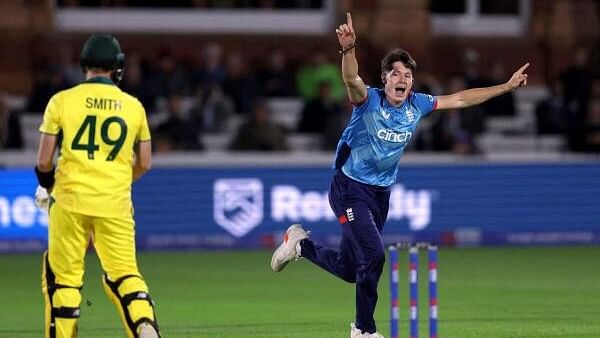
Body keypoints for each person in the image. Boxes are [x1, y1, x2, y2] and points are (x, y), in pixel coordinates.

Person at [270, 13, 529, 338]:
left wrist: (506, 86)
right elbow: (351, 80)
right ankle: (363, 330)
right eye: (395, 74)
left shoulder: (417, 105)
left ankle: (301, 247)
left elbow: (461, 98)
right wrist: (348, 51)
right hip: (348, 187)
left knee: (353, 270)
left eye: (407, 74)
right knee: (375, 255)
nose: (401, 79)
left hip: (380, 195)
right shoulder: (369, 100)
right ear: (385, 79)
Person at [34, 34, 160, 338]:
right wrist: (115, 181)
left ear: (83, 65)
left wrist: (47, 185)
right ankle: (144, 323)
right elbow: (144, 162)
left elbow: (43, 161)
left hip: (69, 200)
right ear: (117, 67)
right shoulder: (134, 107)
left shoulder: (61, 101)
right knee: (125, 275)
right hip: (114, 204)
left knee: (63, 281)